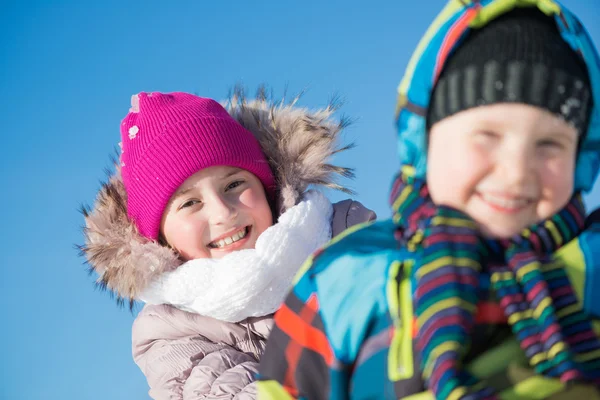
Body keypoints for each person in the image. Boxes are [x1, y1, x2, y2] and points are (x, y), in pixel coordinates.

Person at [257, 2, 600, 399]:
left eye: (549, 145)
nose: (517, 172)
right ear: (424, 142)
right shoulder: (346, 274)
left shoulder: (590, 260)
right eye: (487, 138)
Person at [80, 88, 375, 399]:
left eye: (234, 184)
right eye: (190, 203)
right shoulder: (170, 334)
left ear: (267, 186)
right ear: (159, 238)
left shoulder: (347, 240)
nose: (222, 212)